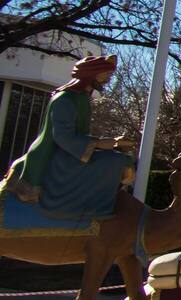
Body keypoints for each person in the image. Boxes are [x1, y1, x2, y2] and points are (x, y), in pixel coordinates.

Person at [0, 55, 136, 221]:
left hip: (71, 153)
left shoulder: (82, 98)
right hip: (55, 155)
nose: (108, 78)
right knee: (115, 161)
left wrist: (112, 143)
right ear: (92, 73)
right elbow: (63, 137)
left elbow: (79, 136)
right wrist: (105, 143)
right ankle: (85, 210)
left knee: (121, 158)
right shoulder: (65, 99)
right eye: (106, 74)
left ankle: (94, 205)